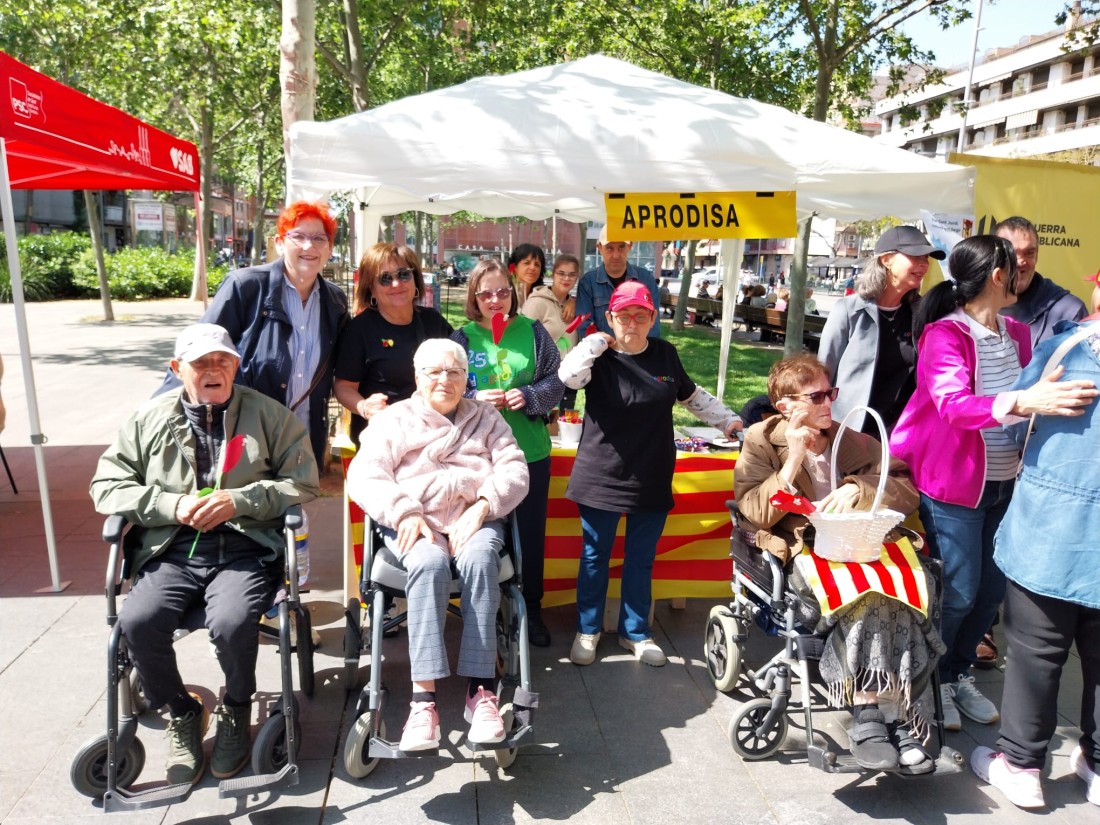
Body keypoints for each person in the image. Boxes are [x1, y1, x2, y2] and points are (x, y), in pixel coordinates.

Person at [90, 323, 320, 785]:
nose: (214, 370)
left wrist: (241, 500)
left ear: (236, 366)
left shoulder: (269, 416)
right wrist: (169, 505)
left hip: (245, 548)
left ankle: (236, 705)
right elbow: (106, 486)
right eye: (201, 363)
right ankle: (182, 711)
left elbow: (303, 482)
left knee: (233, 622)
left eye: (223, 361)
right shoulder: (148, 419)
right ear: (177, 369)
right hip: (171, 549)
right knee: (138, 621)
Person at [889, 235, 1095, 733]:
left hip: (1008, 483)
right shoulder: (944, 334)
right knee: (958, 592)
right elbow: (953, 406)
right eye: (1015, 263)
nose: (1025, 269)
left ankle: (956, 673)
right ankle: (928, 682)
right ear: (999, 275)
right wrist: (1026, 402)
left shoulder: (1017, 333)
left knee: (990, 594)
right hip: (953, 485)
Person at [735, 354, 942, 773]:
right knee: (868, 599)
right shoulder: (761, 439)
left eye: (830, 392)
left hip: (863, 546)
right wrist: (793, 460)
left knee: (906, 592)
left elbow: (905, 488)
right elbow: (755, 511)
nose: (829, 402)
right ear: (785, 406)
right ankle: (879, 717)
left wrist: (859, 488)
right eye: (816, 396)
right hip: (805, 553)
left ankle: (888, 716)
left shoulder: (853, 439)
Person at [346, 339, 529, 751]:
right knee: (428, 564)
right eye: (434, 371)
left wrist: (484, 506)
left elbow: (515, 469)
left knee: (481, 558)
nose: (444, 379)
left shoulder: (487, 418)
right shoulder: (394, 420)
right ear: (417, 377)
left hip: (473, 518)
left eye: (454, 372)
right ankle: (422, 702)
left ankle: (481, 692)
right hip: (416, 521)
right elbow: (365, 474)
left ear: (466, 379)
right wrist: (405, 512)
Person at [558, 281, 741, 668]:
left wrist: (727, 420)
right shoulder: (598, 357)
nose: (632, 323)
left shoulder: (665, 354)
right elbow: (568, 378)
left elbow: (691, 396)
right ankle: (587, 630)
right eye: (624, 315)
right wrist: (593, 343)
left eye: (641, 316)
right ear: (610, 317)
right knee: (594, 557)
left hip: (651, 474)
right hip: (601, 475)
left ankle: (636, 633)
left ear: (653, 318)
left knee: (640, 559)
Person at [970, 273, 1100, 809]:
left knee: (1035, 652)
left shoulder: (1067, 350)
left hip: (1051, 532)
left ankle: (1021, 764)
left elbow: (1010, 422)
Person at [163, 201, 349, 467]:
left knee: (297, 495)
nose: (309, 246)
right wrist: (160, 417)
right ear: (280, 243)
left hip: (304, 442)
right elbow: (195, 353)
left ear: (329, 248)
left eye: (319, 238)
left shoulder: (335, 301)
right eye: (298, 236)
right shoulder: (245, 287)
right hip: (246, 438)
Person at [452, 260, 564, 647]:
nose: (495, 300)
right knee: (482, 537)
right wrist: (471, 397)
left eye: (502, 291)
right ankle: (485, 611)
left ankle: (530, 610)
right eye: (486, 293)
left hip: (528, 452)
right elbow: (441, 391)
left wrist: (530, 395)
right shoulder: (461, 339)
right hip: (477, 458)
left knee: (530, 538)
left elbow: (557, 381)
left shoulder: (532, 332)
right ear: (474, 297)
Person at [819, 226, 945, 436]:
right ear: (886, 259)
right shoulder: (848, 310)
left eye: (926, 258)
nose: (924, 264)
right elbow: (823, 373)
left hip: (900, 434)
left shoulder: (922, 313)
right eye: (916, 256)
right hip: (848, 431)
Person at [333, 243, 453, 445]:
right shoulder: (359, 329)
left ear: (415, 279)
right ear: (371, 288)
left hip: (432, 434)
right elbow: (343, 387)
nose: (396, 284)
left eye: (403, 275)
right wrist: (364, 407)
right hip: (384, 438)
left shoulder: (433, 321)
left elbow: (462, 362)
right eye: (385, 278)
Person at [996, 215, 1087, 347]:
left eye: (1029, 253)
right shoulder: (972, 307)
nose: (1021, 262)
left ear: (1037, 255)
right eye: (1012, 253)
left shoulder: (1069, 311)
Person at [575, 224, 661, 338]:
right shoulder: (588, 283)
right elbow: (584, 325)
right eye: (609, 248)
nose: (616, 255)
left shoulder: (646, 280)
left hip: (638, 348)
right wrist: (610, 345)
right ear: (599, 248)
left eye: (621, 247)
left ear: (630, 245)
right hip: (603, 348)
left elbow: (653, 324)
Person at [521, 253, 580, 355]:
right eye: (561, 273)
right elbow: (524, 340)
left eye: (572, 274)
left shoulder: (576, 306)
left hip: (573, 365)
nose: (566, 278)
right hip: (544, 365)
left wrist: (574, 302)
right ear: (553, 274)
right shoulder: (536, 303)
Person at [509, 243, 548, 308]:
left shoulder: (544, 295)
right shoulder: (504, 294)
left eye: (537, 264)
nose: (532, 268)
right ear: (514, 267)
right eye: (527, 263)